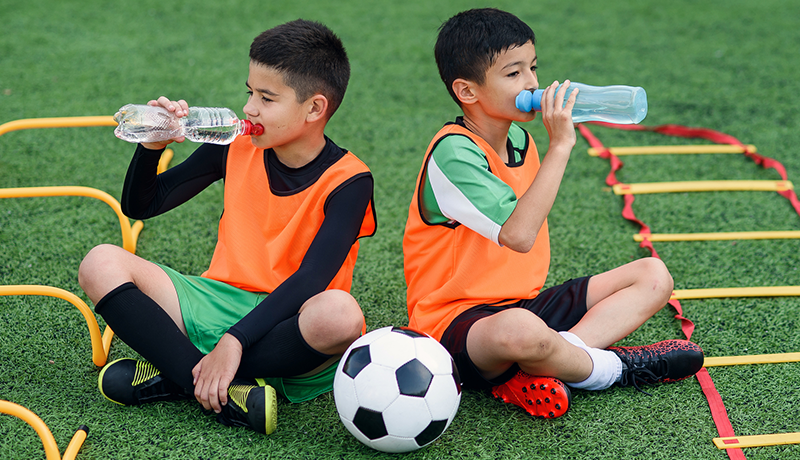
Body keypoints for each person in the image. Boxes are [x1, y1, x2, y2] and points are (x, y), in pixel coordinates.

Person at [402, 8, 703, 419]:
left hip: (524, 303)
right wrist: (560, 146)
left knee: (653, 275)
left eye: (533, 68)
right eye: (513, 74)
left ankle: (556, 363)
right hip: (455, 324)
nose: (532, 83)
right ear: (467, 91)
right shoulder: (453, 153)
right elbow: (519, 235)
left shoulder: (520, 140)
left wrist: (549, 146)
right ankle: (612, 369)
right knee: (521, 332)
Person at [79, 19, 376, 435]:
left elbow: (311, 279)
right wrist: (152, 147)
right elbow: (141, 205)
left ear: (314, 108)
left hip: (288, 323)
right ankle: (211, 386)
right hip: (217, 301)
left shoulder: (350, 180)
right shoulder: (236, 147)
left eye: (267, 98)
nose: (250, 108)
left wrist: (234, 341)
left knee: (341, 316)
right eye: (249, 93)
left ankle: (177, 371)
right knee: (99, 262)